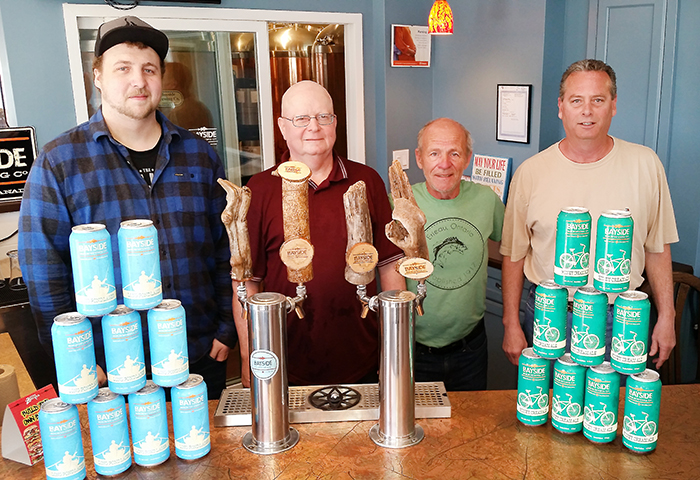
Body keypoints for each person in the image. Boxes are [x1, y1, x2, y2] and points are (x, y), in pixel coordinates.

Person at [18, 16, 235, 399]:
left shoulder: (199, 157)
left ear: (162, 79)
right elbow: (45, 271)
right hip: (109, 368)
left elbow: (224, 249)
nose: (139, 80)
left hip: (198, 356)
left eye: (149, 69)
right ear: (98, 76)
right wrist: (77, 357)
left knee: (209, 457)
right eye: (123, 68)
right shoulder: (59, 161)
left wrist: (224, 328)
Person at [500, 59, 678, 368]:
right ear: (561, 107)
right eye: (576, 100)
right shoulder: (531, 173)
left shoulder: (646, 164)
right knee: (548, 410)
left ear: (613, 105)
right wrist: (510, 323)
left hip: (622, 316)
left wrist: (667, 316)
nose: (587, 111)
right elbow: (514, 255)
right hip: (549, 312)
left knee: (612, 410)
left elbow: (658, 247)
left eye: (598, 100)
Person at [237, 80, 405, 387]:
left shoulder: (367, 181)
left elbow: (390, 265)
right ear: (282, 127)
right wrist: (250, 356)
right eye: (301, 119)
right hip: (283, 361)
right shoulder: (259, 190)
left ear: (335, 123)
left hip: (361, 358)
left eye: (323, 117)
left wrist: (393, 348)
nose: (313, 127)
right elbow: (246, 282)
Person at [405, 118, 504, 391]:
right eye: (434, 153)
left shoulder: (486, 200)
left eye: (455, 153)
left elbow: (514, 248)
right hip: (413, 350)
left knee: (471, 429)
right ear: (419, 158)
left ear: (468, 158)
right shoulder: (399, 204)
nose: (445, 164)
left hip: (470, 348)